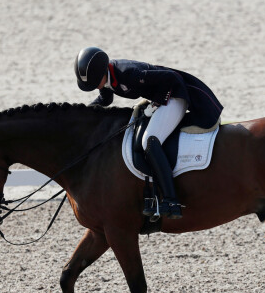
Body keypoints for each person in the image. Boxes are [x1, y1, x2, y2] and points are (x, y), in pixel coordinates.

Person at [75, 47, 223, 220]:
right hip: (161, 95)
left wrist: (155, 105)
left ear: (101, 72)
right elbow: (105, 99)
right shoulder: (107, 76)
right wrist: (83, 113)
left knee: (150, 141)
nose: (94, 87)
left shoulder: (128, 73)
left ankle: (171, 200)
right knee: (137, 140)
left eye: (94, 82)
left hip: (175, 95)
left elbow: (172, 79)